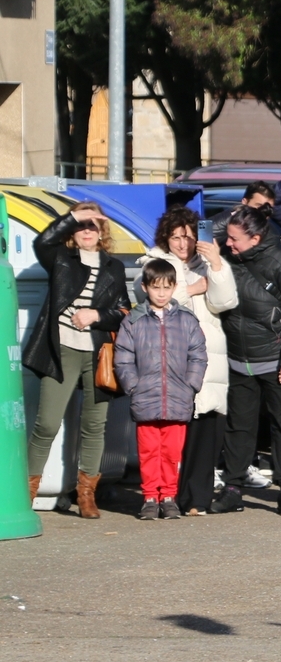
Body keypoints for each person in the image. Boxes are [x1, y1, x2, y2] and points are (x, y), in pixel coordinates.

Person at [23, 203, 132, 517]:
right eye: (82, 225)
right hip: (62, 350)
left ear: (102, 231)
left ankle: (86, 495)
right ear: (72, 230)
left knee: (94, 425)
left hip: (98, 353)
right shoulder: (60, 258)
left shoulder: (113, 266)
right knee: (46, 424)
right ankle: (27, 493)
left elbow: (123, 311)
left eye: (93, 225)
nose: (87, 231)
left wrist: (96, 315)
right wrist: (72, 216)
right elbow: (41, 241)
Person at [210, 205, 281, 516]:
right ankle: (233, 489)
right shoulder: (227, 256)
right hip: (238, 358)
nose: (228, 243)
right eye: (228, 238)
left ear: (255, 238)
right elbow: (212, 232)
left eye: (235, 239)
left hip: (275, 359)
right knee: (239, 428)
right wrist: (234, 216)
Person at [139, 207, 238, 516]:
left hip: (209, 356)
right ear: (165, 237)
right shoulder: (151, 262)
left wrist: (217, 263)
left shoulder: (208, 263)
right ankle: (164, 496)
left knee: (205, 431)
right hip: (169, 360)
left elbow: (225, 301)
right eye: (177, 237)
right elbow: (153, 300)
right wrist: (192, 288)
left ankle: (196, 499)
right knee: (168, 435)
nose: (183, 244)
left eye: (190, 237)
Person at [115, 259, 209, 520]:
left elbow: (198, 355)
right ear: (145, 287)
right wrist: (133, 385)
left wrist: (191, 385)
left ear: (174, 288)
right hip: (145, 397)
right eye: (156, 287)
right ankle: (149, 498)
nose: (161, 293)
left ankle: (168, 496)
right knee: (148, 452)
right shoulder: (133, 321)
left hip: (178, 398)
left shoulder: (187, 320)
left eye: (166, 287)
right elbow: (123, 356)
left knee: (171, 452)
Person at [212, 181, 281, 245]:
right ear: (245, 202)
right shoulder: (221, 224)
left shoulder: (273, 229)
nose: (264, 211)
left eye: (268, 208)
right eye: (259, 206)